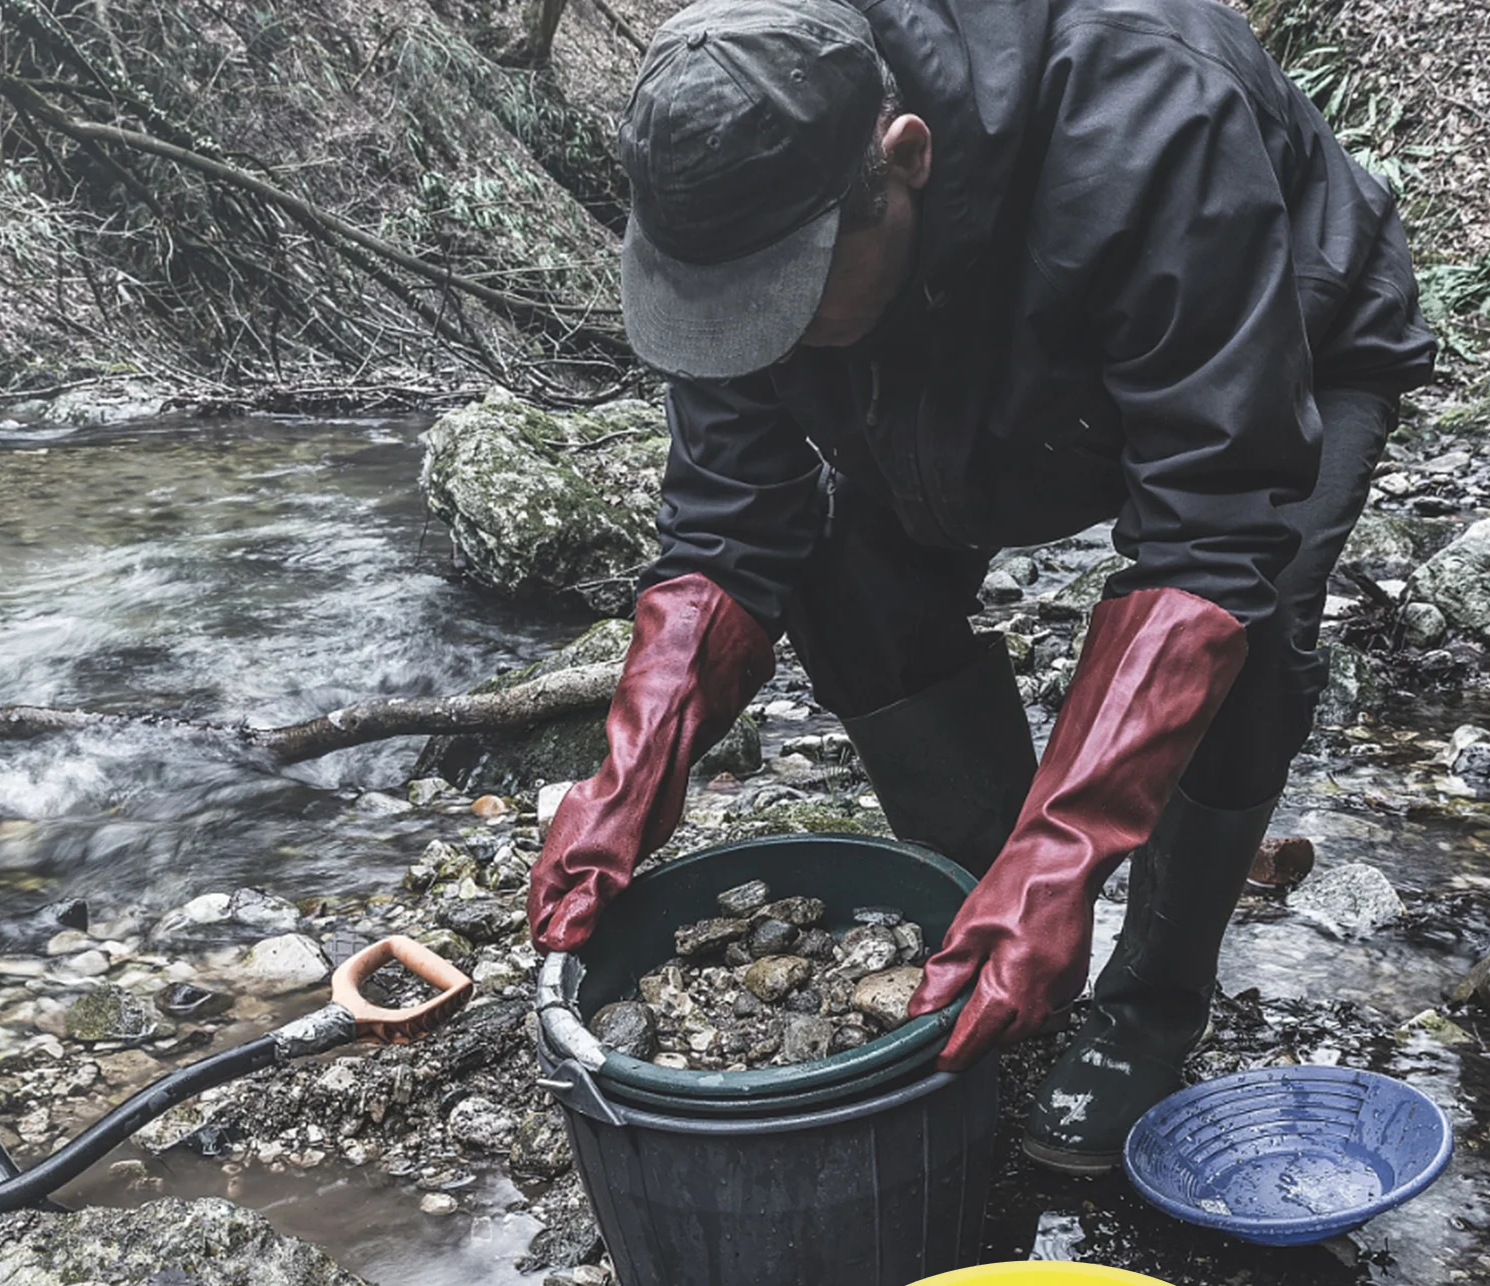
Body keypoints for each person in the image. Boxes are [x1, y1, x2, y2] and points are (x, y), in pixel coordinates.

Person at [527, 0, 1436, 1173]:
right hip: (951, 355)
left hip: (1276, 332)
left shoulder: (1149, 114)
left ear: (902, 157)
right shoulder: (744, 184)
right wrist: (630, 777)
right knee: (843, 580)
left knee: (1245, 642)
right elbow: (730, 519)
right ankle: (992, 923)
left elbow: (1211, 535)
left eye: (788, 299)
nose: (763, 340)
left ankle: (1150, 1001)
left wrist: (1065, 850)